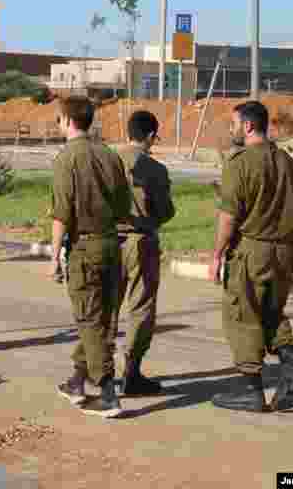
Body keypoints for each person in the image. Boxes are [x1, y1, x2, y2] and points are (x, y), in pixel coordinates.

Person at [209, 100, 293, 413]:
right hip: (283, 250)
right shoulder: (287, 162)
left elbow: (228, 216)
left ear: (248, 126)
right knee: (272, 312)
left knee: (242, 315)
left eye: (234, 123)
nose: (231, 128)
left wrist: (216, 255)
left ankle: (251, 390)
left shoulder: (239, 163)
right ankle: (291, 370)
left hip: (252, 250)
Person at [50, 95, 132, 418]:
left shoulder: (66, 158)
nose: (58, 125)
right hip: (112, 244)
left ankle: (108, 390)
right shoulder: (110, 155)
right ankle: (77, 380)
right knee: (101, 319)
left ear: (69, 121)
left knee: (89, 320)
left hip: (84, 247)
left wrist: (54, 256)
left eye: (58, 119)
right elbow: (125, 207)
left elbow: (61, 213)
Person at [115, 110, 176, 396]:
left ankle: (95, 370)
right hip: (141, 242)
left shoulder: (108, 160)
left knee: (105, 306)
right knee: (140, 307)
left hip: (106, 241)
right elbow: (165, 212)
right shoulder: (155, 169)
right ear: (151, 136)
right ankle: (131, 371)